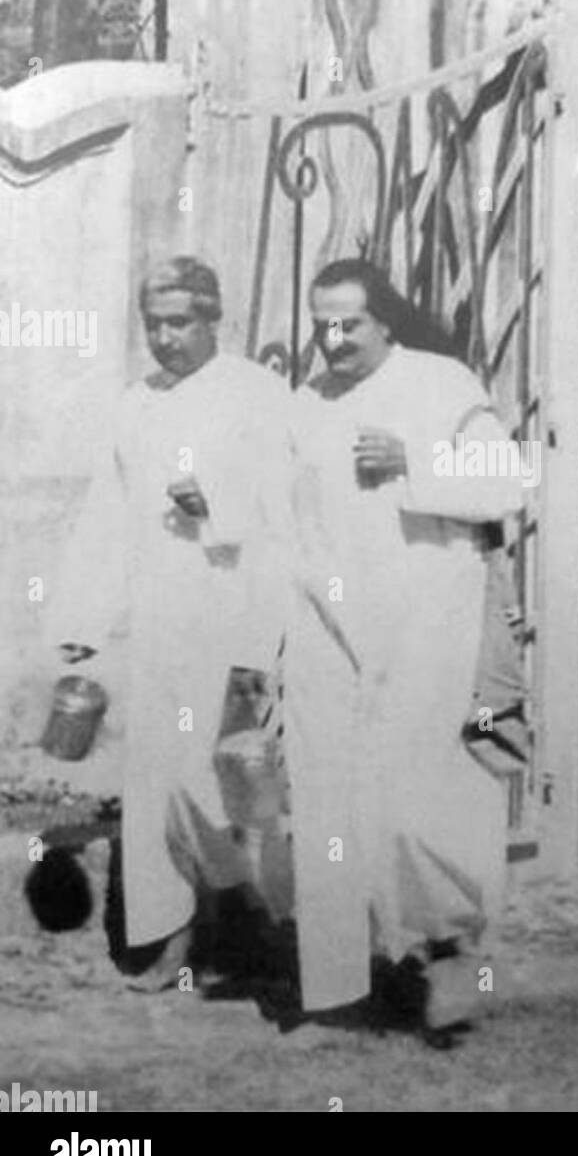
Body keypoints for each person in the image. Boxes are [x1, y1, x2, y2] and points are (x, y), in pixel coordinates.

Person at [46, 257, 350, 994]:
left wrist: (213, 510)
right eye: (153, 324)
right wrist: (83, 616)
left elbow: (290, 512)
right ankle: (168, 932)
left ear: (216, 320)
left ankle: (258, 921)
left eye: (179, 322)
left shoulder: (256, 396)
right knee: (155, 781)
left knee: (228, 783)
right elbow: (105, 517)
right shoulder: (135, 404)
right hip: (159, 621)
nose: (164, 337)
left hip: (237, 611)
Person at [289, 257, 522, 1040]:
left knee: (409, 799)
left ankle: (447, 939)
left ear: (384, 320)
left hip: (422, 627)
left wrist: (413, 463)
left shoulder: (441, 383)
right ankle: (333, 992)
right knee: (325, 805)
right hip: (326, 630)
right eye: (322, 322)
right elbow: (286, 521)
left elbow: (506, 485)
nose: (333, 338)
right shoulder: (306, 405)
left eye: (349, 321)